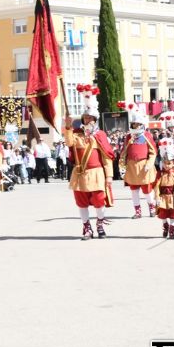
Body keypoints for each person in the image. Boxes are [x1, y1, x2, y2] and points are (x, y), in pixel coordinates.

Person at [64, 84, 114, 239]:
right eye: (85, 118)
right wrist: (67, 126)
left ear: (95, 119)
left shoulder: (100, 135)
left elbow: (107, 157)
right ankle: (87, 228)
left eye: (90, 118)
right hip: (80, 173)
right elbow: (69, 143)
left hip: (97, 173)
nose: (87, 120)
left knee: (99, 201)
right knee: (81, 201)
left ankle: (100, 224)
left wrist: (109, 176)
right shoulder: (76, 134)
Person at [119, 103, 157, 218]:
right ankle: (137, 211)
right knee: (134, 190)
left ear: (141, 124)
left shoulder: (147, 135)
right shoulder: (128, 137)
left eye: (136, 124)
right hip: (131, 166)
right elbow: (124, 152)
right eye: (133, 124)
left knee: (147, 190)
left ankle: (152, 208)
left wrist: (149, 164)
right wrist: (122, 166)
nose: (134, 126)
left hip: (144, 165)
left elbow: (153, 152)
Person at [154, 138, 174, 239]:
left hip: (172, 198)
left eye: (169, 163)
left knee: (172, 215)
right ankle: (165, 226)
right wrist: (157, 198)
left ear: (173, 163)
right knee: (163, 215)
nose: (166, 165)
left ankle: (172, 229)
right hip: (163, 198)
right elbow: (156, 187)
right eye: (164, 163)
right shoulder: (160, 175)